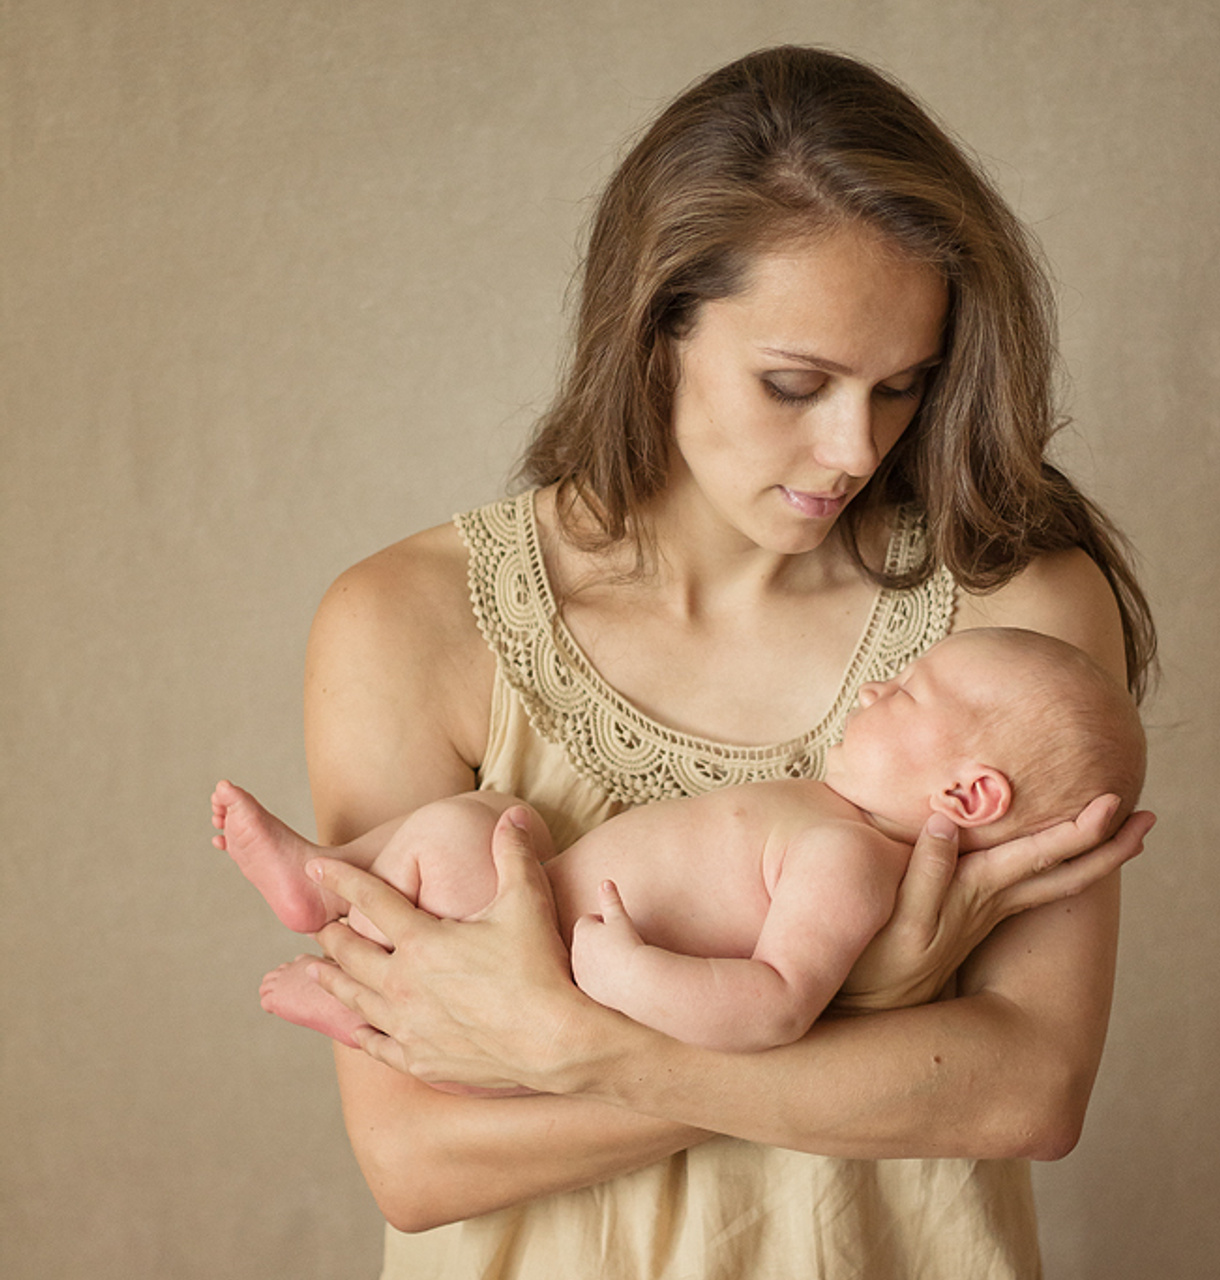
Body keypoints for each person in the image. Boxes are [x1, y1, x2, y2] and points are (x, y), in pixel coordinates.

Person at [269, 44, 1157, 1280]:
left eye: (901, 386)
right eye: (794, 382)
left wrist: (588, 1049)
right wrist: (870, 1001)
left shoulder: (1015, 617)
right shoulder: (409, 624)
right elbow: (418, 1162)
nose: (852, 446)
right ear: (653, 333)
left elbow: (1028, 1089)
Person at [215, 627, 1145, 1069]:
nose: (872, 692)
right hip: (528, 930)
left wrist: (625, 975)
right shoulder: (835, 822)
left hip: (540, 961)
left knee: (463, 835)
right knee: (497, 813)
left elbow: (778, 1003)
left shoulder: (853, 861)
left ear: (967, 794)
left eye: (906, 694)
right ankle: (339, 970)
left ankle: (321, 891)